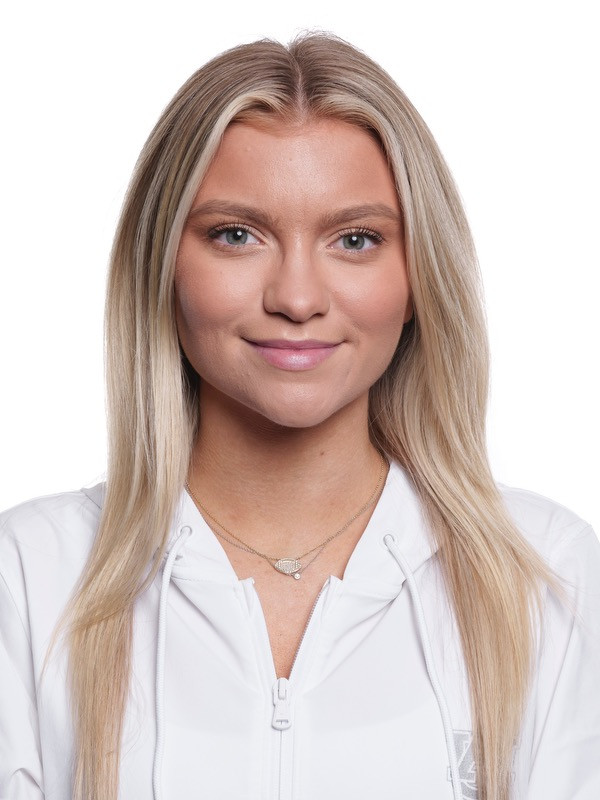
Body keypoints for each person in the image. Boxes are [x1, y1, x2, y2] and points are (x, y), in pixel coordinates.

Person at [0, 33, 598, 800]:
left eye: (355, 239)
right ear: (163, 266)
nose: (297, 297)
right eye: (236, 235)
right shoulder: (29, 577)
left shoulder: (546, 575)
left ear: (417, 277)